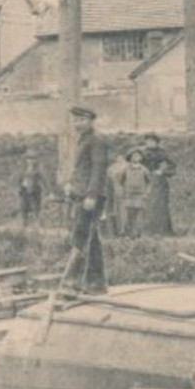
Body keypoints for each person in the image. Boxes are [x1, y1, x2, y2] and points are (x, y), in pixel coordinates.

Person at [60, 105, 109, 296]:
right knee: (91, 238)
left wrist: (91, 195)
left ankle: (69, 283)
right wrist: (70, 184)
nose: (77, 124)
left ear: (91, 121)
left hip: (90, 197)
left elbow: (98, 169)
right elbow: (81, 169)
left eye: (81, 120)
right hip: (80, 194)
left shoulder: (97, 140)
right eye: (75, 120)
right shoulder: (82, 140)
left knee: (80, 237)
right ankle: (95, 284)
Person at [139, 132, 176, 236]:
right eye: (148, 141)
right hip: (144, 181)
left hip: (159, 182)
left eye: (153, 141)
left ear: (157, 142)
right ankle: (146, 231)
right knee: (146, 206)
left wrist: (162, 172)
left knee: (160, 206)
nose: (150, 143)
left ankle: (162, 231)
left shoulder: (161, 153)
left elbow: (172, 166)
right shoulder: (141, 152)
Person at [121, 149, 151, 238]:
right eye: (134, 156)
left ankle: (138, 234)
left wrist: (146, 193)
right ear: (130, 158)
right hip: (128, 195)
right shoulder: (125, 169)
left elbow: (149, 182)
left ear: (141, 158)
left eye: (138, 156)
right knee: (128, 215)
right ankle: (127, 234)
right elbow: (121, 181)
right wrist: (123, 190)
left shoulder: (144, 169)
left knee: (139, 215)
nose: (136, 158)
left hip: (140, 195)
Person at [18, 149, 45, 227]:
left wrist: (40, 186)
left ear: (36, 160)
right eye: (29, 159)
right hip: (24, 189)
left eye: (33, 159)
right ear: (26, 160)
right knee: (24, 206)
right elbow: (19, 178)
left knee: (36, 207)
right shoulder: (23, 169)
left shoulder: (38, 169)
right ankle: (24, 223)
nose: (30, 161)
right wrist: (20, 187)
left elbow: (42, 179)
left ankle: (37, 223)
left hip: (35, 190)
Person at [105, 151, 129, 236]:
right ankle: (116, 230)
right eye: (118, 157)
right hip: (113, 192)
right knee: (114, 211)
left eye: (121, 157)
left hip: (125, 191)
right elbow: (109, 177)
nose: (119, 158)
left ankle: (124, 230)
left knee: (124, 210)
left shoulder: (127, 166)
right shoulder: (112, 167)